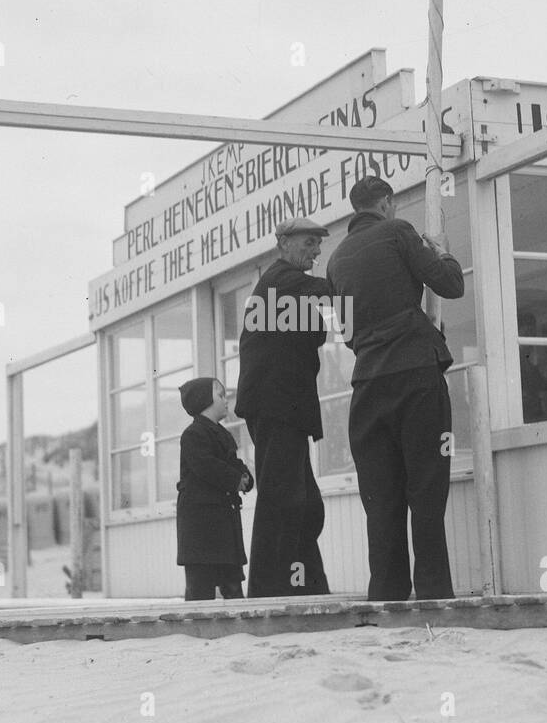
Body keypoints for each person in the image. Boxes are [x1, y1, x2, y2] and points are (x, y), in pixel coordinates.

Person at [325, 177, 465, 601]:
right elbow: (450, 285)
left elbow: (347, 333)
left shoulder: (335, 260)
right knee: (426, 488)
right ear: (386, 203)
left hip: (367, 384)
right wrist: (442, 250)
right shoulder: (398, 231)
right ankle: (433, 593)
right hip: (416, 374)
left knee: (381, 498)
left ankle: (386, 593)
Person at [233, 217, 333, 598]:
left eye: (318, 244)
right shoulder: (282, 280)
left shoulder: (285, 288)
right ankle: (268, 591)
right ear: (285, 243)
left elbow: (314, 329)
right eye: (310, 243)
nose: (317, 251)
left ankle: (303, 584)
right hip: (278, 409)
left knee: (303, 504)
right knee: (284, 499)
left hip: (283, 409)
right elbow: (332, 292)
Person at [175, 377, 254, 601]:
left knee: (232, 585)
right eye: (220, 395)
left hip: (223, 526)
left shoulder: (223, 434)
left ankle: (239, 631)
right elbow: (206, 466)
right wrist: (235, 479)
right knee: (200, 589)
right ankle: (195, 632)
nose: (226, 399)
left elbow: (233, 464)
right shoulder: (193, 435)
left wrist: (245, 478)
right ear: (204, 400)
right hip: (201, 529)